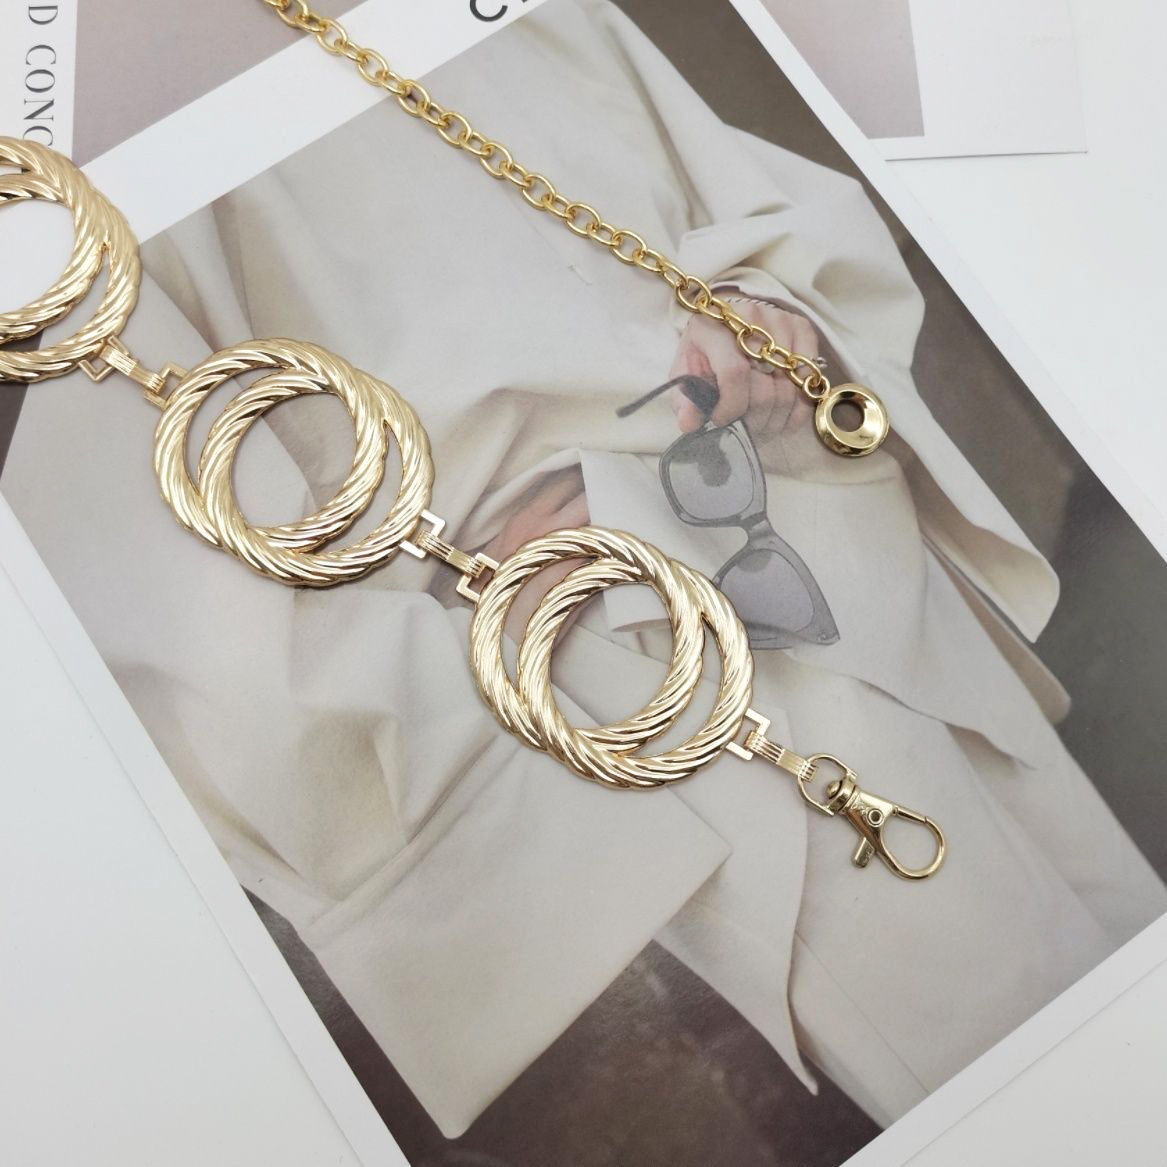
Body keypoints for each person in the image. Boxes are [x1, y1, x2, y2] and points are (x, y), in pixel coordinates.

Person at [4, 0, 1163, 1139]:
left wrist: (772, 319)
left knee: (1117, 920)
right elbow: (166, 592)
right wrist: (471, 656)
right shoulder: (52, 112)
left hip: (812, 500)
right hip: (603, 644)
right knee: (1025, 1055)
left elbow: (700, 176)